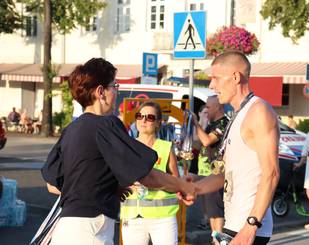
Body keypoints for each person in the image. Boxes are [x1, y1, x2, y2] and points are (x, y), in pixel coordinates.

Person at [41, 58, 196, 245]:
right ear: (100, 92)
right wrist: (183, 186)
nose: (116, 92)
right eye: (114, 86)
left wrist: (105, 187)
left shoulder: (71, 129)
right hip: (92, 229)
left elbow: (53, 184)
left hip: (66, 228)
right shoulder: (106, 125)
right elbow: (147, 176)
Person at [181, 51, 280, 245]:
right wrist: (195, 187)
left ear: (236, 77)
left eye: (215, 78)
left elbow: (272, 173)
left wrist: (251, 226)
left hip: (249, 227)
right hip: (233, 223)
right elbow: (224, 175)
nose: (211, 85)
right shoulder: (237, 115)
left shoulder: (258, 111)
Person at [121, 101, 180, 245]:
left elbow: (176, 182)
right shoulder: (126, 146)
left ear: (158, 123)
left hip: (163, 218)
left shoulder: (166, 147)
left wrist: (155, 183)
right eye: (140, 116)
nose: (143, 120)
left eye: (150, 117)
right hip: (132, 218)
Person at [192, 95, 228, 241]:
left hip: (218, 173)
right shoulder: (211, 124)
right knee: (211, 211)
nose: (206, 110)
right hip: (208, 172)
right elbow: (199, 144)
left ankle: (219, 239)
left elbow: (207, 141)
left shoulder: (224, 123)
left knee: (216, 211)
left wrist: (195, 123)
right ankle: (215, 238)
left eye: (208, 107)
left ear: (218, 107)